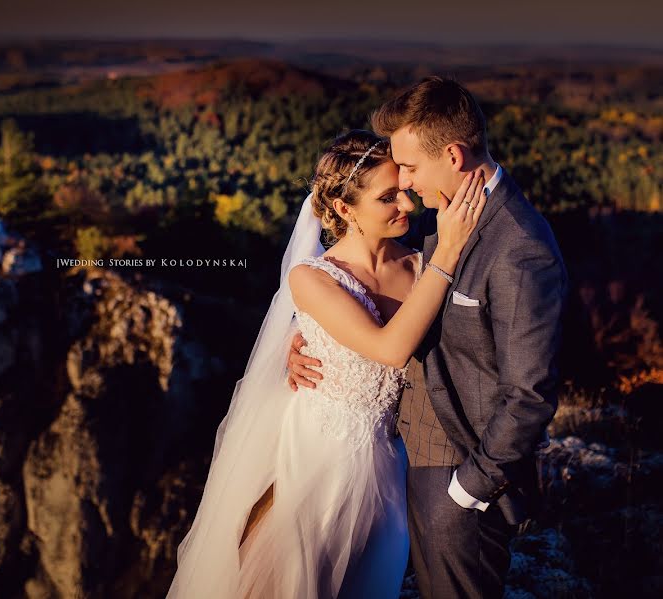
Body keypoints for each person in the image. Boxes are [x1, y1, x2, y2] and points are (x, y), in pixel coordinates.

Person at [167, 127, 487, 598]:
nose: (407, 206)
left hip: (389, 464)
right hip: (315, 461)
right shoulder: (313, 279)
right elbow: (389, 349)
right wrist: (448, 254)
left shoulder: (420, 266)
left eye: (404, 190)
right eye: (388, 198)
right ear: (343, 209)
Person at [288, 77, 568, 598]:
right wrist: (308, 339)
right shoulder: (449, 222)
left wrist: (469, 489)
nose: (409, 192)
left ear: (455, 156)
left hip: (457, 473)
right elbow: (392, 323)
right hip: (386, 463)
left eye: (410, 171)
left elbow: (530, 392)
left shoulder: (518, 248)